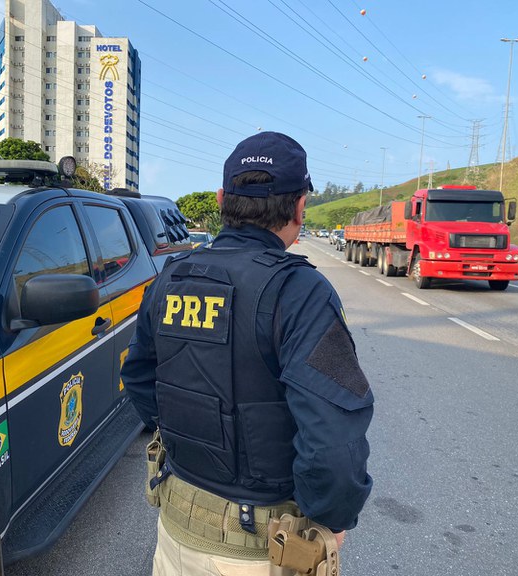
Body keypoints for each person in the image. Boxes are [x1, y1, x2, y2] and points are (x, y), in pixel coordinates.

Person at [121, 131, 373, 576]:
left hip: (175, 528)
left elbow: (140, 377)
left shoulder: (171, 278)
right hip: (258, 551)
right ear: (300, 207)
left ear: (222, 200)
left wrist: (196, 439)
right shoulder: (301, 292)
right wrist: (331, 520)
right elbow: (332, 438)